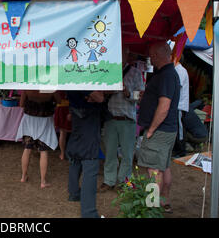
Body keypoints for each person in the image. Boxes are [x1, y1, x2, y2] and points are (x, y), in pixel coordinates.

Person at [137, 41, 180, 213]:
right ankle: (164, 202)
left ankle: (151, 208)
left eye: (151, 55)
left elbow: (164, 106)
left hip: (160, 130)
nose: (150, 59)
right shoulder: (168, 73)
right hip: (167, 129)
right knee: (163, 166)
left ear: (156, 55)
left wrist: (152, 130)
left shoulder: (167, 74)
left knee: (154, 171)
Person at [100, 47, 145, 192]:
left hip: (127, 119)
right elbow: (100, 92)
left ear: (127, 55)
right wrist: (109, 91)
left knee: (127, 153)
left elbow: (140, 96)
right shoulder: (108, 70)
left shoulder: (136, 73)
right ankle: (109, 180)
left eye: (122, 54)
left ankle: (124, 182)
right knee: (110, 152)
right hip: (111, 117)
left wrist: (128, 93)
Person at [66, 90, 104, 218]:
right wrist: (100, 95)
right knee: (91, 164)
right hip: (88, 117)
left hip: (77, 114)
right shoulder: (85, 73)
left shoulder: (70, 73)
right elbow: (99, 97)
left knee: (76, 156)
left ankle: (74, 193)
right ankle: (89, 213)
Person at [16, 90, 60, 188]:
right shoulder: (50, 86)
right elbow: (59, 101)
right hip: (45, 118)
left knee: (27, 148)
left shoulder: (29, 86)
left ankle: (23, 176)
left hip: (29, 118)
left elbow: (21, 104)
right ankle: (43, 181)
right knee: (43, 151)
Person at [173, 61, 190, 157]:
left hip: (180, 105)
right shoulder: (177, 70)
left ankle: (181, 151)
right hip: (177, 105)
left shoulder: (181, 71)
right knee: (177, 128)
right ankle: (177, 150)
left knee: (179, 129)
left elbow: (177, 86)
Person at [54, 91, 72, 160]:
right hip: (64, 109)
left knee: (63, 133)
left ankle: (63, 153)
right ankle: (62, 153)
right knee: (63, 132)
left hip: (66, 108)